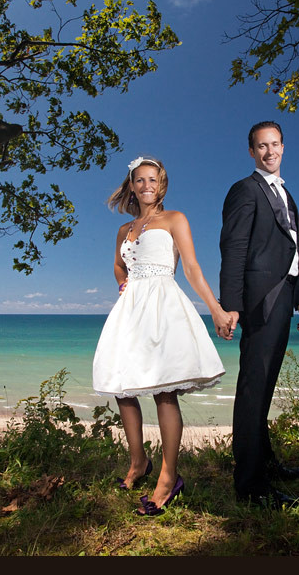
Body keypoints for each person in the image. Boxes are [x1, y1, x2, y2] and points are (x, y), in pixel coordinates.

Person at [93, 156, 232, 516]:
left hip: (162, 307)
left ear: (162, 184)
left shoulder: (175, 219)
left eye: (152, 179)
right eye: (139, 180)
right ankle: (138, 462)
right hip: (131, 311)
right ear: (132, 186)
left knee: (164, 393)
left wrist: (216, 309)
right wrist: (124, 284)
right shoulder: (124, 229)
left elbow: (192, 268)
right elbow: (118, 265)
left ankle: (169, 478)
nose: (146, 185)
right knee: (123, 388)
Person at [219, 120, 299, 509]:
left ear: (283, 147)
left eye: (275, 144)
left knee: (266, 387)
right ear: (252, 151)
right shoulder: (246, 190)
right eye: (262, 146)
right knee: (253, 390)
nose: (269, 151)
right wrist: (230, 305)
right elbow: (234, 248)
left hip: (284, 297)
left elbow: (291, 250)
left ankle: (265, 462)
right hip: (258, 302)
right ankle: (251, 486)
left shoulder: (286, 195)